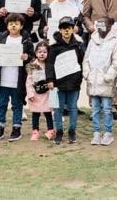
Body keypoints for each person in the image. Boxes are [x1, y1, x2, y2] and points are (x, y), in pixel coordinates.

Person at [0, 13, 32, 142]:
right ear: (7, 26)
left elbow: (32, 57)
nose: (13, 25)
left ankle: (16, 128)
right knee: (1, 104)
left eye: (16, 23)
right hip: (3, 78)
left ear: (21, 26)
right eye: (10, 23)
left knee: (17, 104)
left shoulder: (26, 40)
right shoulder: (2, 39)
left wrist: (27, 58)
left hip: (18, 79)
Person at [47, 15, 85, 145]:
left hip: (74, 82)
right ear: (60, 30)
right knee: (58, 108)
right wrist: (50, 79)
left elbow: (82, 62)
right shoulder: (54, 47)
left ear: (73, 29)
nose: (66, 31)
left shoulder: (78, 45)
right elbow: (50, 64)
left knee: (73, 107)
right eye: (63, 28)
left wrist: (80, 77)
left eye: (69, 28)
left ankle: (72, 131)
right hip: (59, 83)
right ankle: (59, 131)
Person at [83, 16, 117, 145]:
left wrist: (108, 76)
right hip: (93, 81)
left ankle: (108, 133)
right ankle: (96, 133)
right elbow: (86, 58)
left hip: (105, 82)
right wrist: (87, 74)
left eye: (104, 24)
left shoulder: (114, 42)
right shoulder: (92, 40)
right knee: (95, 109)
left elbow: (116, 62)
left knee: (106, 108)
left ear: (110, 26)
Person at [25, 40, 55, 141]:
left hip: (47, 93)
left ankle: (50, 130)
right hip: (35, 93)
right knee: (35, 113)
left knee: (48, 112)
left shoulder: (50, 65)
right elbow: (29, 81)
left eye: (44, 52)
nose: (42, 54)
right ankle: (35, 131)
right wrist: (30, 93)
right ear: (36, 53)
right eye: (39, 51)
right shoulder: (32, 65)